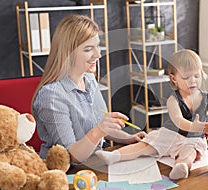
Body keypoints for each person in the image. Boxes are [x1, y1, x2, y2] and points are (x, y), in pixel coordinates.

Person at [32, 14, 146, 164]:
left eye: (97, 46)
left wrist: (130, 138)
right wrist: (99, 130)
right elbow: (71, 156)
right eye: (88, 49)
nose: (98, 55)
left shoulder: (89, 80)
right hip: (62, 174)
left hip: (93, 163)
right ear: (68, 53)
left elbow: (98, 125)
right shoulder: (51, 96)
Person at [95, 49, 208, 180]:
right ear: (174, 79)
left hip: (192, 138)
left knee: (190, 153)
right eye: (186, 77)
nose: (193, 81)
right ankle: (115, 155)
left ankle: (181, 166)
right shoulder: (173, 99)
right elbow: (178, 120)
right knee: (145, 146)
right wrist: (194, 126)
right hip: (171, 134)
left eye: (197, 76)